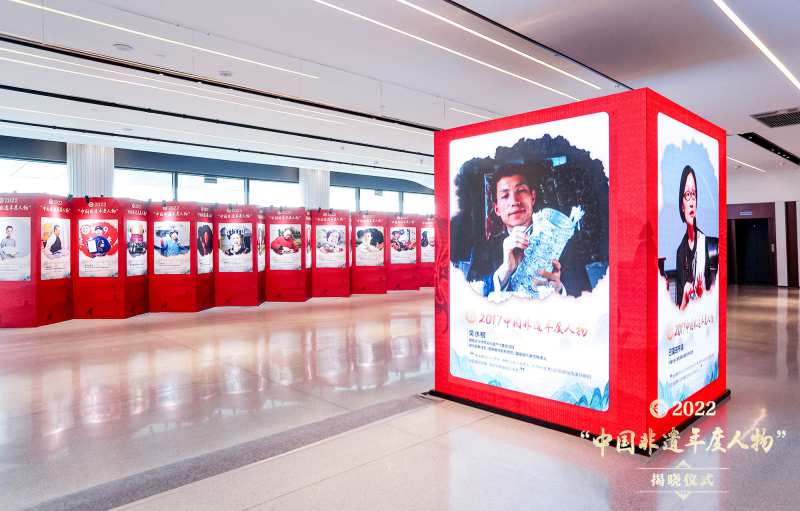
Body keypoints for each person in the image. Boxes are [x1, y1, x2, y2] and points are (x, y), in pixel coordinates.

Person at [466, 163, 587, 297]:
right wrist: (503, 273)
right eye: (505, 196)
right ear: (497, 209)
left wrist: (560, 290)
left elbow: (586, 299)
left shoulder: (562, 242)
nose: (514, 201)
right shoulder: (486, 250)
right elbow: (468, 300)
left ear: (533, 197)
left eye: (521, 191)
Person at [675, 165, 712, 310]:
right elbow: (679, 308)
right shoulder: (680, 252)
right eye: (687, 195)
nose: (691, 202)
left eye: (694, 194)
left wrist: (703, 293)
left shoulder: (703, 241)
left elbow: (711, 294)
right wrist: (685, 297)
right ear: (682, 205)